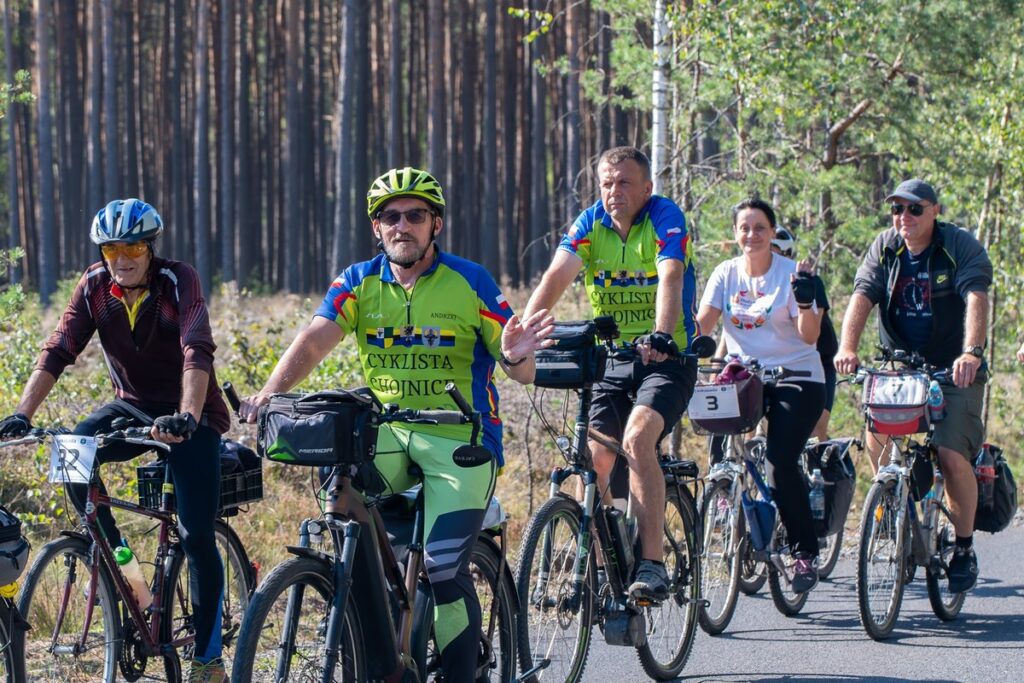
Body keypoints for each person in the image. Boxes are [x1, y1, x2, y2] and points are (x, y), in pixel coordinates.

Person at [239, 167, 552, 683]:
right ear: (376, 227)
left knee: (444, 568)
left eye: (415, 215)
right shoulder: (359, 281)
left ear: (436, 225)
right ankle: (378, 625)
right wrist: (272, 392)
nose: (402, 225)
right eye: (390, 216)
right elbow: (317, 338)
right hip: (390, 433)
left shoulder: (470, 281)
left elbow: (519, 366)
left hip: (462, 439)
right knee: (340, 492)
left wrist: (516, 357)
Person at [0, 199, 230, 682]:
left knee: (194, 532)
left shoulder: (177, 280)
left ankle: (209, 657)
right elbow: (59, 349)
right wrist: (23, 414)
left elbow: (197, 348)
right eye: (110, 249)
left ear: (150, 248)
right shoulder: (94, 287)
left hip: (191, 413)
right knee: (71, 452)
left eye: (131, 247)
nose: (120, 258)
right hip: (131, 406)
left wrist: (187, 417)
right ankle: (125, 572)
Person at [522, 146, 699, 601]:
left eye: (623, 183)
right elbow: (554, 280)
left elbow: (671, 274)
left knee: (638, 439)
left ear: (646, 188)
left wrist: (661, 335)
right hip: (613, 360)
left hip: (667, 359)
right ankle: (599, 569)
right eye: (605, 183)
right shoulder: (589, 223)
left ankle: (652, 563)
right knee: (593, 458)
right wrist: (523, 333)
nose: (613, 191)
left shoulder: (664, 217)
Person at [834, 178, 992, 594]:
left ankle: (962, 547)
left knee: (950, 454)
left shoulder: (958, 245)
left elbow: (977, 297)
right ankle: (896, 507)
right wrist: (848, 348)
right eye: (897, 210)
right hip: (899, 366)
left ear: (935, 210)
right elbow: (862, 296)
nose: (904, 218)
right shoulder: (885, 246)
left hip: (952, 369)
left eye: (914, 209)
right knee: (876, 433)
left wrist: (972, 352)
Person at [696, 197, 825, 594]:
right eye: (744, 228)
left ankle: (805, 550)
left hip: (797, 375)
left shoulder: (791, 275)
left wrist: (805, 299)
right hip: (743, 375)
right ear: (735, 234)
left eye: (760, 228)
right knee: (715, 429)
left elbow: (810, 335)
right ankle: (727, 500)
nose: (751, 234)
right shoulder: (725, 273)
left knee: (779, 460)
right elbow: (702, 326)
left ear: (772, 233)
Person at [770, 227, 839, 441]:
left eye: (776, 252)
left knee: (816, 427)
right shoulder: (752, 285)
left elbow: (811, 335)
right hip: (771, 365)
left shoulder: (810, 282)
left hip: (817, 363)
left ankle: (821, 471)